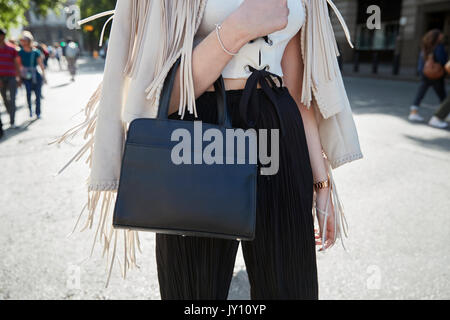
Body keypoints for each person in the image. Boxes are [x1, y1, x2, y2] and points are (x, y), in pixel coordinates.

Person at [55, 0, 363, 299]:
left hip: (280, 130)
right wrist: (238, 28)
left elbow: (297, 93)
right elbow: (158, 95)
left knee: (290, 286)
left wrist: (322, 182)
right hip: (200, 129)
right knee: (194, 290)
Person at [409, 29, 448, 122]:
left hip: (425, 73)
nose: (442, 36)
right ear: (437, 37)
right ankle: (442, 115)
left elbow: (421, 61)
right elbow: (442, 60)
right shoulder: (439, 47)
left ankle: (413, 113)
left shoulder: (425, 46)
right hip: (436, 74)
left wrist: (421, 72)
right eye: (440, 35)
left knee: (420, 94)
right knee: (442, 96)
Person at [18, 31, 47, 119]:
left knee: (38, 95)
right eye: (21, 40)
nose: (22, 42)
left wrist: (44, 76)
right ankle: (30, 110)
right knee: (28, 94)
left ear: (29, 41)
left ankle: (38, 112)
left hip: (36, 76)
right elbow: (19, 66)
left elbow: (41, 65)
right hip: (25, 76)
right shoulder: (20, 52)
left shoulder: (36, 52)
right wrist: (19, 77)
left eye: (24, 40)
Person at [0, 28, 21, 132]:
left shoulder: (12, 48)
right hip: (0, 78)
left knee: (12, 99)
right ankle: (10, 112)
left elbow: (16, 63)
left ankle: (12, 121)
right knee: (5, 99)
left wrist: (19, 77)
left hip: (11, 77)